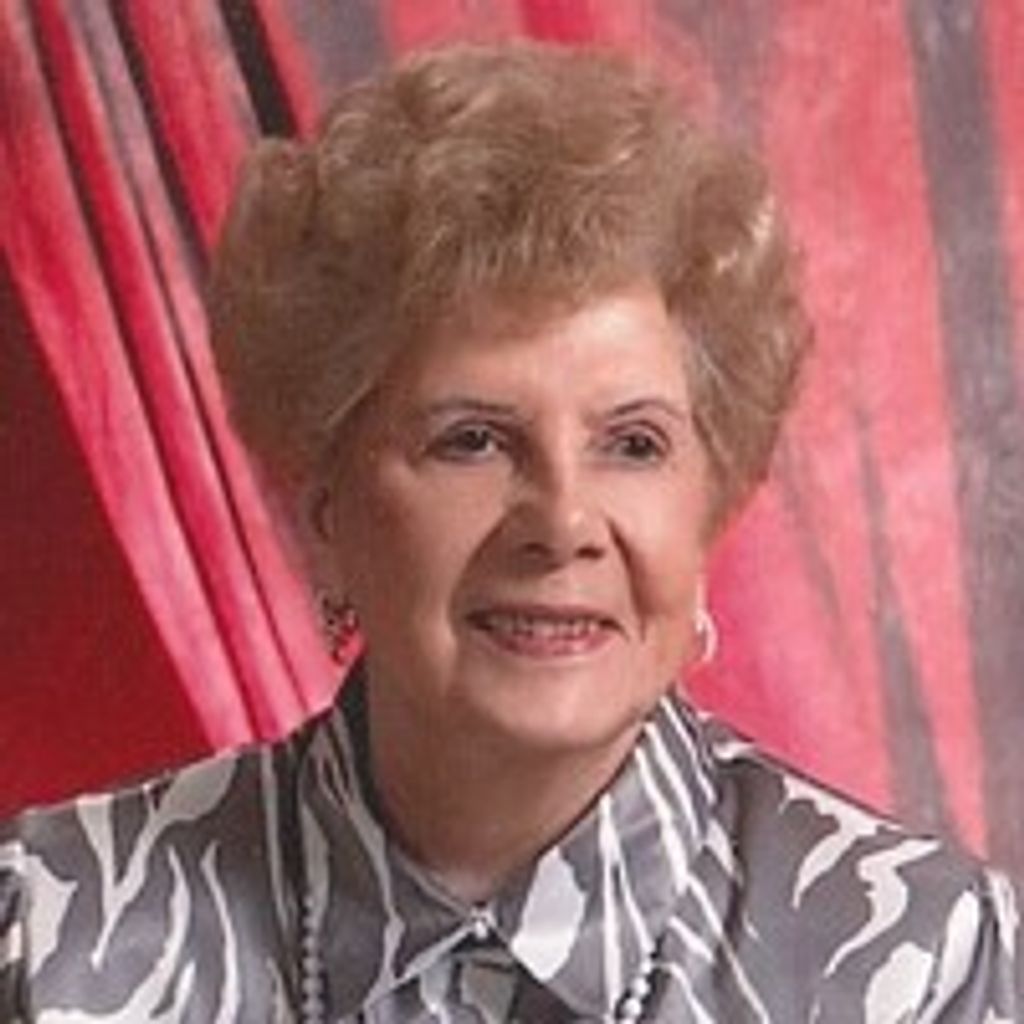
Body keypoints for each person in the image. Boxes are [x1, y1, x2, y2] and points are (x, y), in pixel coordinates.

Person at [0, 42, 1019, 1023]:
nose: (563, 523)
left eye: (633, 443)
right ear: (325, 509)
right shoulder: (52, 933)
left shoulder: (917, 966)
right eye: (474, 440)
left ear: (708, 500)